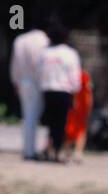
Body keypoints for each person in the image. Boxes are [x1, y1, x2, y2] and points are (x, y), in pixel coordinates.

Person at [38, 17, 83, 163]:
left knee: (49, 122)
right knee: (61, 123)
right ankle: (57, 151)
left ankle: (48, 149)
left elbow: (40, 72)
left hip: (48, 90)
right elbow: (75, 76)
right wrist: (76, 91)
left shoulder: (45, 53)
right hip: (64, 92)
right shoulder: (70, 53)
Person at [10, 22, 49, 160]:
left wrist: (15, 80)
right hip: (40, 82)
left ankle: (28, 150)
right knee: (38, 117)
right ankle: (34, 151)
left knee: (28, 117)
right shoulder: (45, 40)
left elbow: (15, 63)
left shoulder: (20, 40)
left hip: (24, 82)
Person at [64, 69, 93, 164]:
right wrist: (89, 106)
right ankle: (78, 153)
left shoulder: (68, 74)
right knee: (81, 130)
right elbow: (88, 92)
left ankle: (68, 152)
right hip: (80, 106)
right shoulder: (83, 75)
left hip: (73, 106)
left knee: (70, 130)